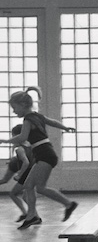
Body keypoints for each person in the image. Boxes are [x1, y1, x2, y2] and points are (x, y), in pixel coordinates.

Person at [0, 87, 78, 229]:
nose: (13, 111)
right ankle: (32, 216)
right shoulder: (37, 116)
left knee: (40, 188)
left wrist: (5, 141)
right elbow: (53, 122)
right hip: (44, 153)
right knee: (29, 186)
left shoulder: (28, 119)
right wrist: (64, 127)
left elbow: (23, 137)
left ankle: (68, 204)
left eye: (14, 107)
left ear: (23, 105)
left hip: (44, 154)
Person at [0, 125, 31, 221]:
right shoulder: (28, 144)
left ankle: (27, 214)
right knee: (26, 196)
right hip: (24, 169)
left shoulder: (20, 148)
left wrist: (19, 174)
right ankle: (31, 215)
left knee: (13, 194)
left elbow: (26, 162)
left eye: (13, 136)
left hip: (26, 173)